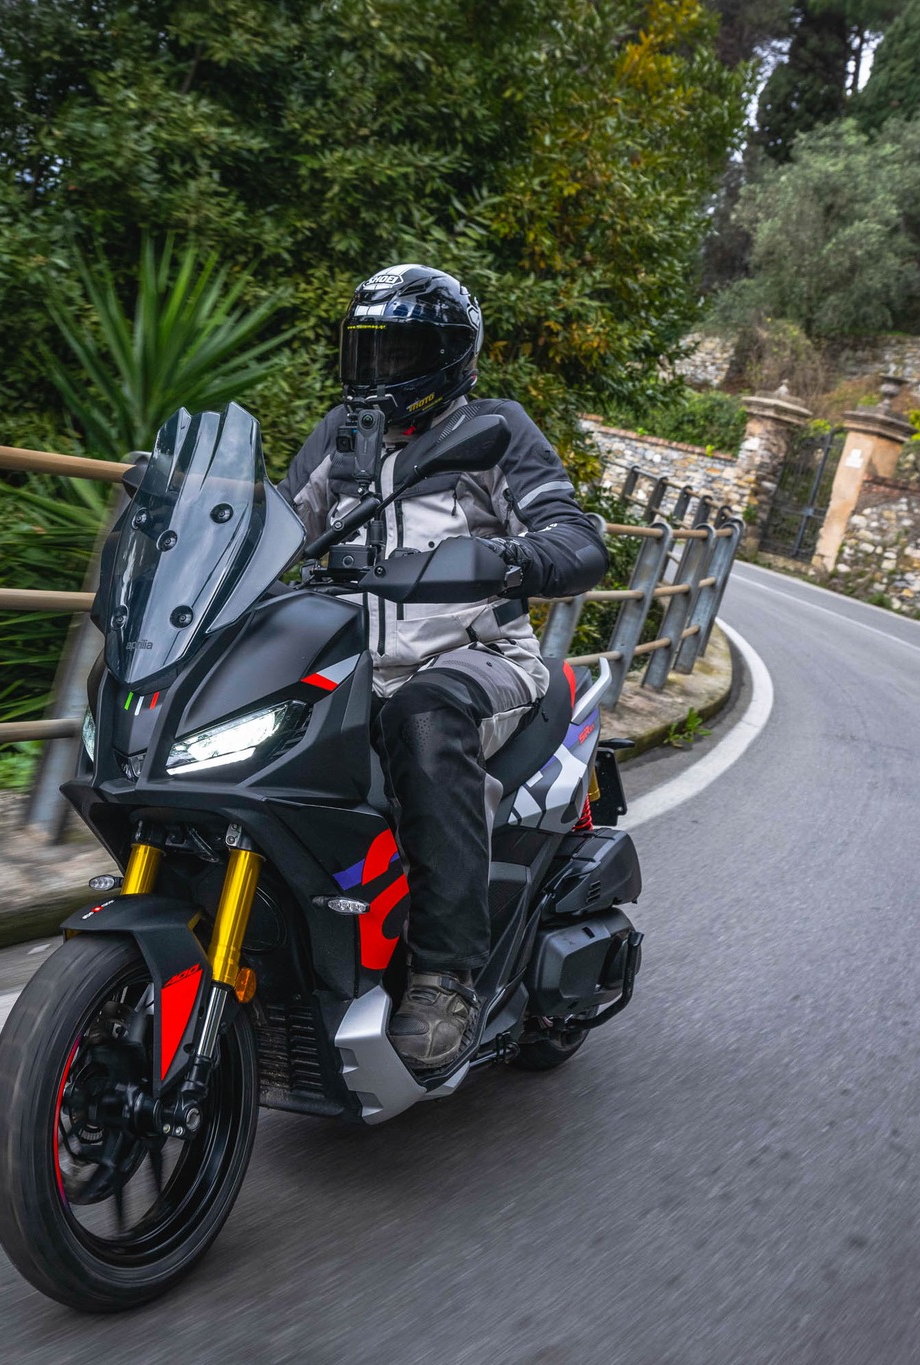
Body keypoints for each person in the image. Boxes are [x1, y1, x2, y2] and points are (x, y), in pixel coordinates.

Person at [279, 264, 607, 1073]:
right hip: (356, 663)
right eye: (367, 351)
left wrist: (506, 558)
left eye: (399, 354)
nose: (377, 372)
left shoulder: (495, 429)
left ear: (449, 358)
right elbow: (277, 520)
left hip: (478, 658)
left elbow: (573, 536)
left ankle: (445, 975)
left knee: (424, 715)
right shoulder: (342, 436)